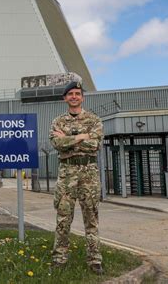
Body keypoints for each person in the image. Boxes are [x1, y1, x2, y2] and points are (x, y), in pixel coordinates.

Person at [49, 81, 104, 274]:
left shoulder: (94, 120)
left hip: (89, 173)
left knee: (91, 217)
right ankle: (59, 258)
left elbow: (94, 146)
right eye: (70, 93)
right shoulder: (58, 122)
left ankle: (95, 259)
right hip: (67, 175)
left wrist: (70, 139)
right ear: (65, 98)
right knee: (63, 218)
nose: (74, 96)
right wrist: (82, 137)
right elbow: (58, 144)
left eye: (77, 94)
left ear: (82, 97)